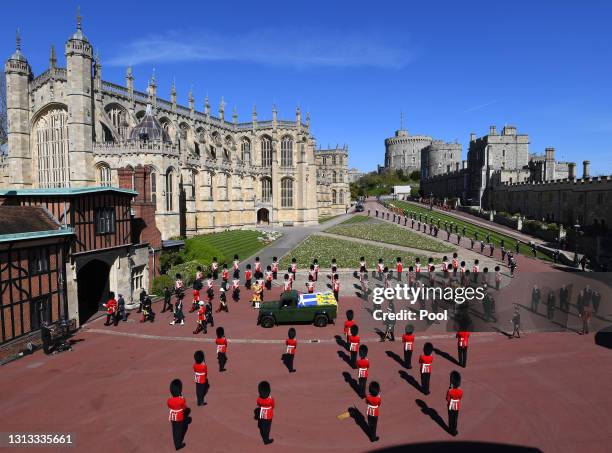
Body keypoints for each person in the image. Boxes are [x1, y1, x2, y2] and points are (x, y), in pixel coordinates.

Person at [167, 379, 187, 450]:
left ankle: (176, 442)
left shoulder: (169, 400)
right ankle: (178, 445)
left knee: (174, 430)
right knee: (179, 430)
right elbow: (184, 407)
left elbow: (169, 406)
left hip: (172, 416)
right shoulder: (182, 400)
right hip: (179, 417)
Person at [255, 381, 275, 445]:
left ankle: (264, 436)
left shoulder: (259, 399)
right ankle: (266, 439)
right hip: (269, 414)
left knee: (263, 426)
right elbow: (273, 405)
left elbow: (258, 404)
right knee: (267, 427)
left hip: (262, 412)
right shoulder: (270, 399)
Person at [446, 371, 463, 436]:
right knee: (455, 419)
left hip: (450, 405)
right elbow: (460, 398)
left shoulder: (450, 391)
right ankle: (454, 430)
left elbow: (447, 399)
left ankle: (450, 429)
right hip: (457, 406)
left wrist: (450, 388)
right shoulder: (460, 391)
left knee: (450, 417)